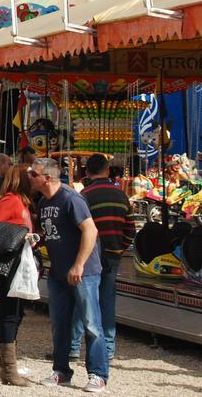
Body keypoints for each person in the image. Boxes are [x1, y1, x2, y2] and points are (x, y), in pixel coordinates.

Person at [31, 157, 107, 392]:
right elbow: (53, 233)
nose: (29, 177)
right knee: (59, 323)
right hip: (58, 272)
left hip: (83, 272)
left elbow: (90, 230)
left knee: (91, 323)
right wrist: (37, 240)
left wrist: (79, 265)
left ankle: (98, 374)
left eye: (33, 174)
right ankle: (62, 370)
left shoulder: (71, 198)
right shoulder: (44, 202)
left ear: (47, 177)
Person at [72, 153, 136, 362]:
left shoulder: (84, 196)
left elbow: (77, 228)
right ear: (107, 170)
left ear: (87, 172)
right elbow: (130, 230)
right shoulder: (121, 196)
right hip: (112, 255)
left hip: (90, 256)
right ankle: (108, 348)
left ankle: (73, 347)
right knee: (107, 300)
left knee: (83, 300)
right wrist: (119, 248)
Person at [0, 163, 38, 386]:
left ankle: (6, 366)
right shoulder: (11, 200)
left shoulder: (21, 201)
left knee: (15, 313)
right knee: (9, 314)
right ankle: (8, 369)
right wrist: (22, 234)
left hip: (15, 263)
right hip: (6, 264)